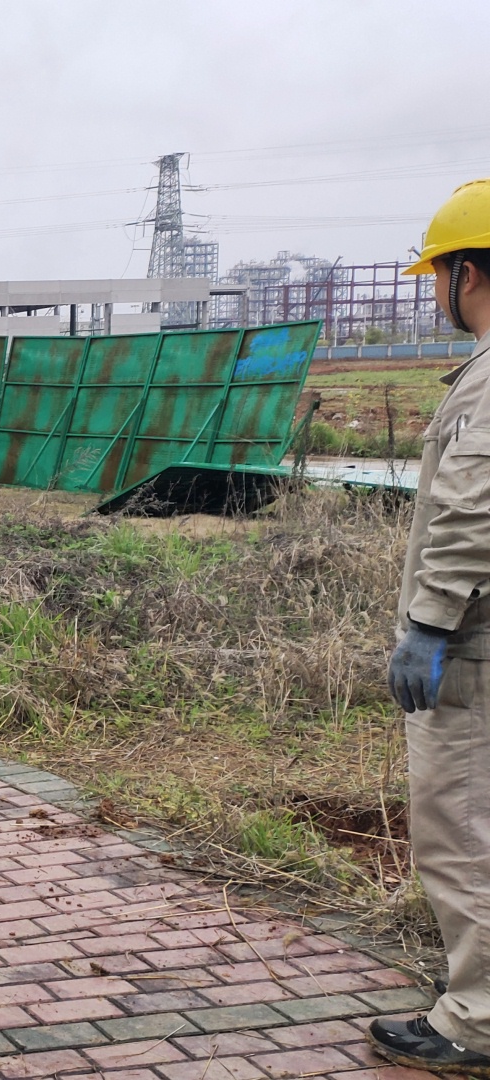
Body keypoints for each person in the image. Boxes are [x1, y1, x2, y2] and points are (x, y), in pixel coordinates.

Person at [371, 179, 490, 1075]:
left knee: (461, 832)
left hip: (473, 650)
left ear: (468, 274)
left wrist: (430, 621)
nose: (435, 292)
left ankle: (475, 1022)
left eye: (439, 273)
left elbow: (471, 508)